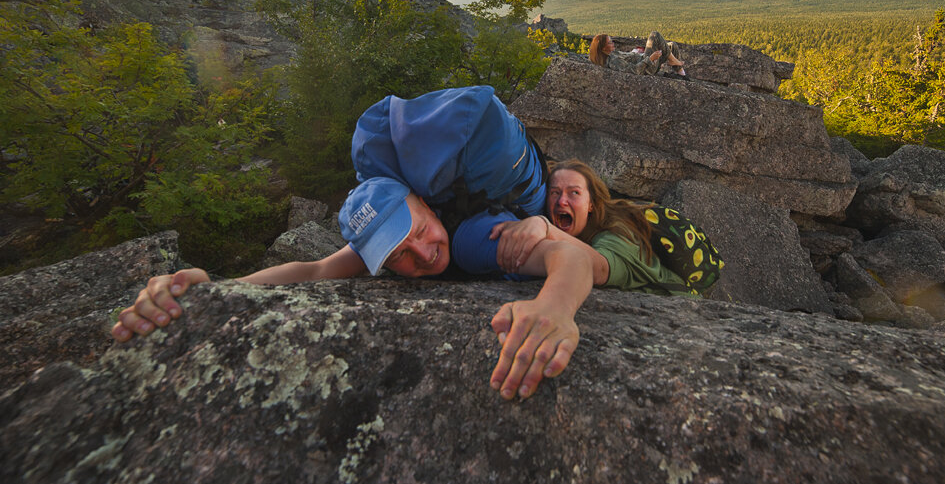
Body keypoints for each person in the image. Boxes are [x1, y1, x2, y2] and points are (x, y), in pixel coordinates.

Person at [112, 86, 607, 401]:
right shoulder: (394, 240)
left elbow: (569, 256)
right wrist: (214, 288)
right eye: (398, 255)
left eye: (419, 231)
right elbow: (315, 270)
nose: (423, 254)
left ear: (424, 200)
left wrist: (555, 307)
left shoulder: (471, 240)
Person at [490, 159, 717, 295]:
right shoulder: (585, 230)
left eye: (574, 193)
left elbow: (598, 269)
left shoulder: (618, 236)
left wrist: (545, 226)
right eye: (555, 192)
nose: (562, 201)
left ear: (591, 204)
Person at [589, 32, 688, 79]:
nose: (613, 43)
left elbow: (627, 58)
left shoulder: (612, 53)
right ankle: (674, 61)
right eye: (610, 43)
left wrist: (635, 52)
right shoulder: (613, 61)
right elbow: (634, 71)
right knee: (654, 36)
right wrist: (650, 59)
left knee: (671, 46)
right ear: (603, 48)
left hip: (644, 59)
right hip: (647, 68)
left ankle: (682, 75)